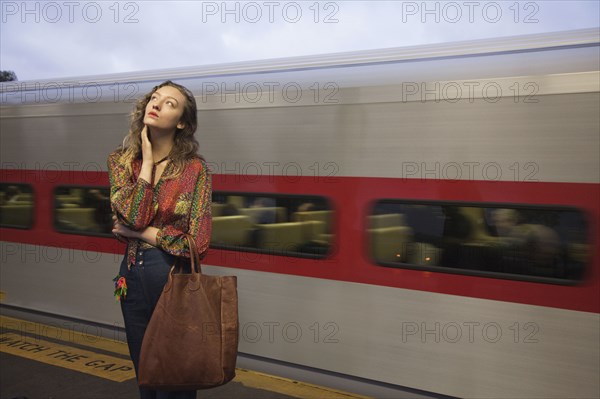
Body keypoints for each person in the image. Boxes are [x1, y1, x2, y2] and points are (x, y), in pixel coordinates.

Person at [108, 81, 211, 399]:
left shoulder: (194, 170)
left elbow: (197, 243)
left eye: (170, 103)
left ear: (182, 121)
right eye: (155, 98)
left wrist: (142, 233)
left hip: (173, 280)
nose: (157, 104)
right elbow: (135, 214)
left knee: (174, 377)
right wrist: (148, 163)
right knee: (146, 377)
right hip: (132, 279)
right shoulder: (121, 162)